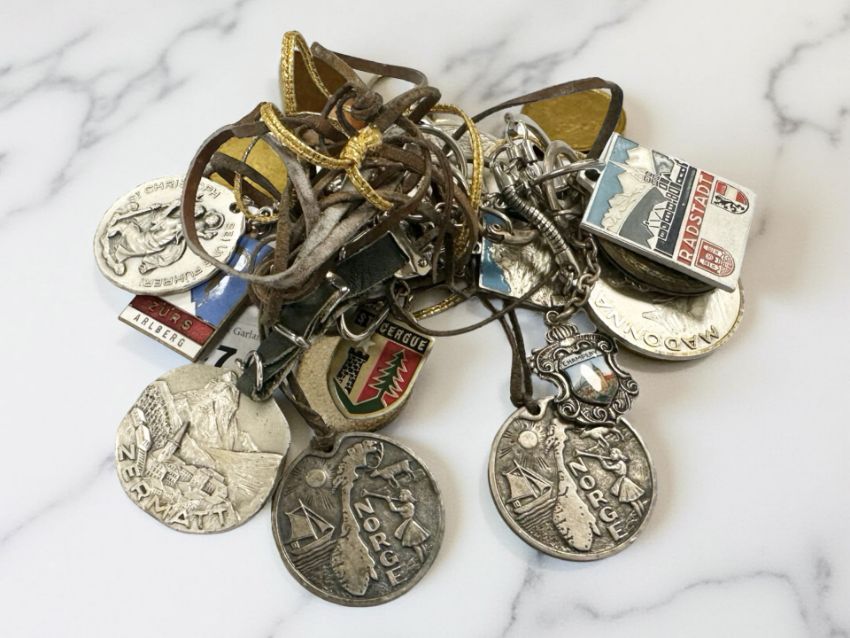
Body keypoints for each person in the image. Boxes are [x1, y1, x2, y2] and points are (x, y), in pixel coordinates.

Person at [387, 489, 430, 562]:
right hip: (411, 524)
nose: (400, 496)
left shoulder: (407, 506)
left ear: (407, 497)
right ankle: (426, 558)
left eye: (402, 495)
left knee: (415, 546)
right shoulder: (409, 505)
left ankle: (422, 561)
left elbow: (394, 509)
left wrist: (389, 501)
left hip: (410, 527)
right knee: (420, 544)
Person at [600, 448, 645, 516]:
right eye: (610, 454)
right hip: (626, 481)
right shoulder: (621, 463)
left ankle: (641, 516)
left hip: (624, 483)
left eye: (613, 453)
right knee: (637, 500)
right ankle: (643, 514)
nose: (611, 455)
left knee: (633, 503)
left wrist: (601, 460)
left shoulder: (619, 464)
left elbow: (607, 467)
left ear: (618, 455)